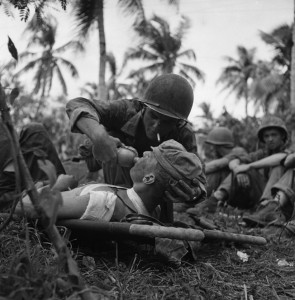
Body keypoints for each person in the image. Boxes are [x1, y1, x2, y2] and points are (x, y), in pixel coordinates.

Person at [66, 74, 207, 221]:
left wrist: (192, 193)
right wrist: (100, 136)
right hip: (111, 167)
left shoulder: (183, 132)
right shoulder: (127, 110)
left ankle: (153, 216)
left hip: (154, 193)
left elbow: (199, 179)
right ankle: (117, 202)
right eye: (154, 116)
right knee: (114, 136)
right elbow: (76, 105)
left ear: (177, 122)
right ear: (144, 107)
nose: (156, 125)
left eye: (167, 122)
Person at [17, 140, 203, 223]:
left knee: (34, 134)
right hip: (57, 190)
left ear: (148, 178)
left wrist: (56, 186)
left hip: (28, 195)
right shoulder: (154, 209)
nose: (143, 153)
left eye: (149, 156)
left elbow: (25, 208)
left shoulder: (105, 201)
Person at [189, 115, 290, 217]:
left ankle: (267, 209)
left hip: (278, 199)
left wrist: (249, 167)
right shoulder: (260, 154)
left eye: (274, 135)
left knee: (277, 166)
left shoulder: (289, 153)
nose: (270, 139)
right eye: (266, 136)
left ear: (282, 136)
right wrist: (239, 170)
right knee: (241, 167)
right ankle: (213, 200)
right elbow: (235, 161)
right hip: (256, 195)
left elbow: (281, 158)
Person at [0, 122, 67, 209]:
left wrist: (43, 183)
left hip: (27, 183)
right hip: (8, 194)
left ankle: (53, 184)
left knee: (34, 130)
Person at [187, 126, 249, 215]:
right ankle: (193, 200)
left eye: (214, 146)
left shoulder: (237, 151)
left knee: (213, 171)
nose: (212, 149)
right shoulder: (223, 156)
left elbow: (216, 165)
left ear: (219, 146)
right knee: (213, 173)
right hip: (228, 193)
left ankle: (206, 203)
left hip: (241, 194)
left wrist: (190, 173)